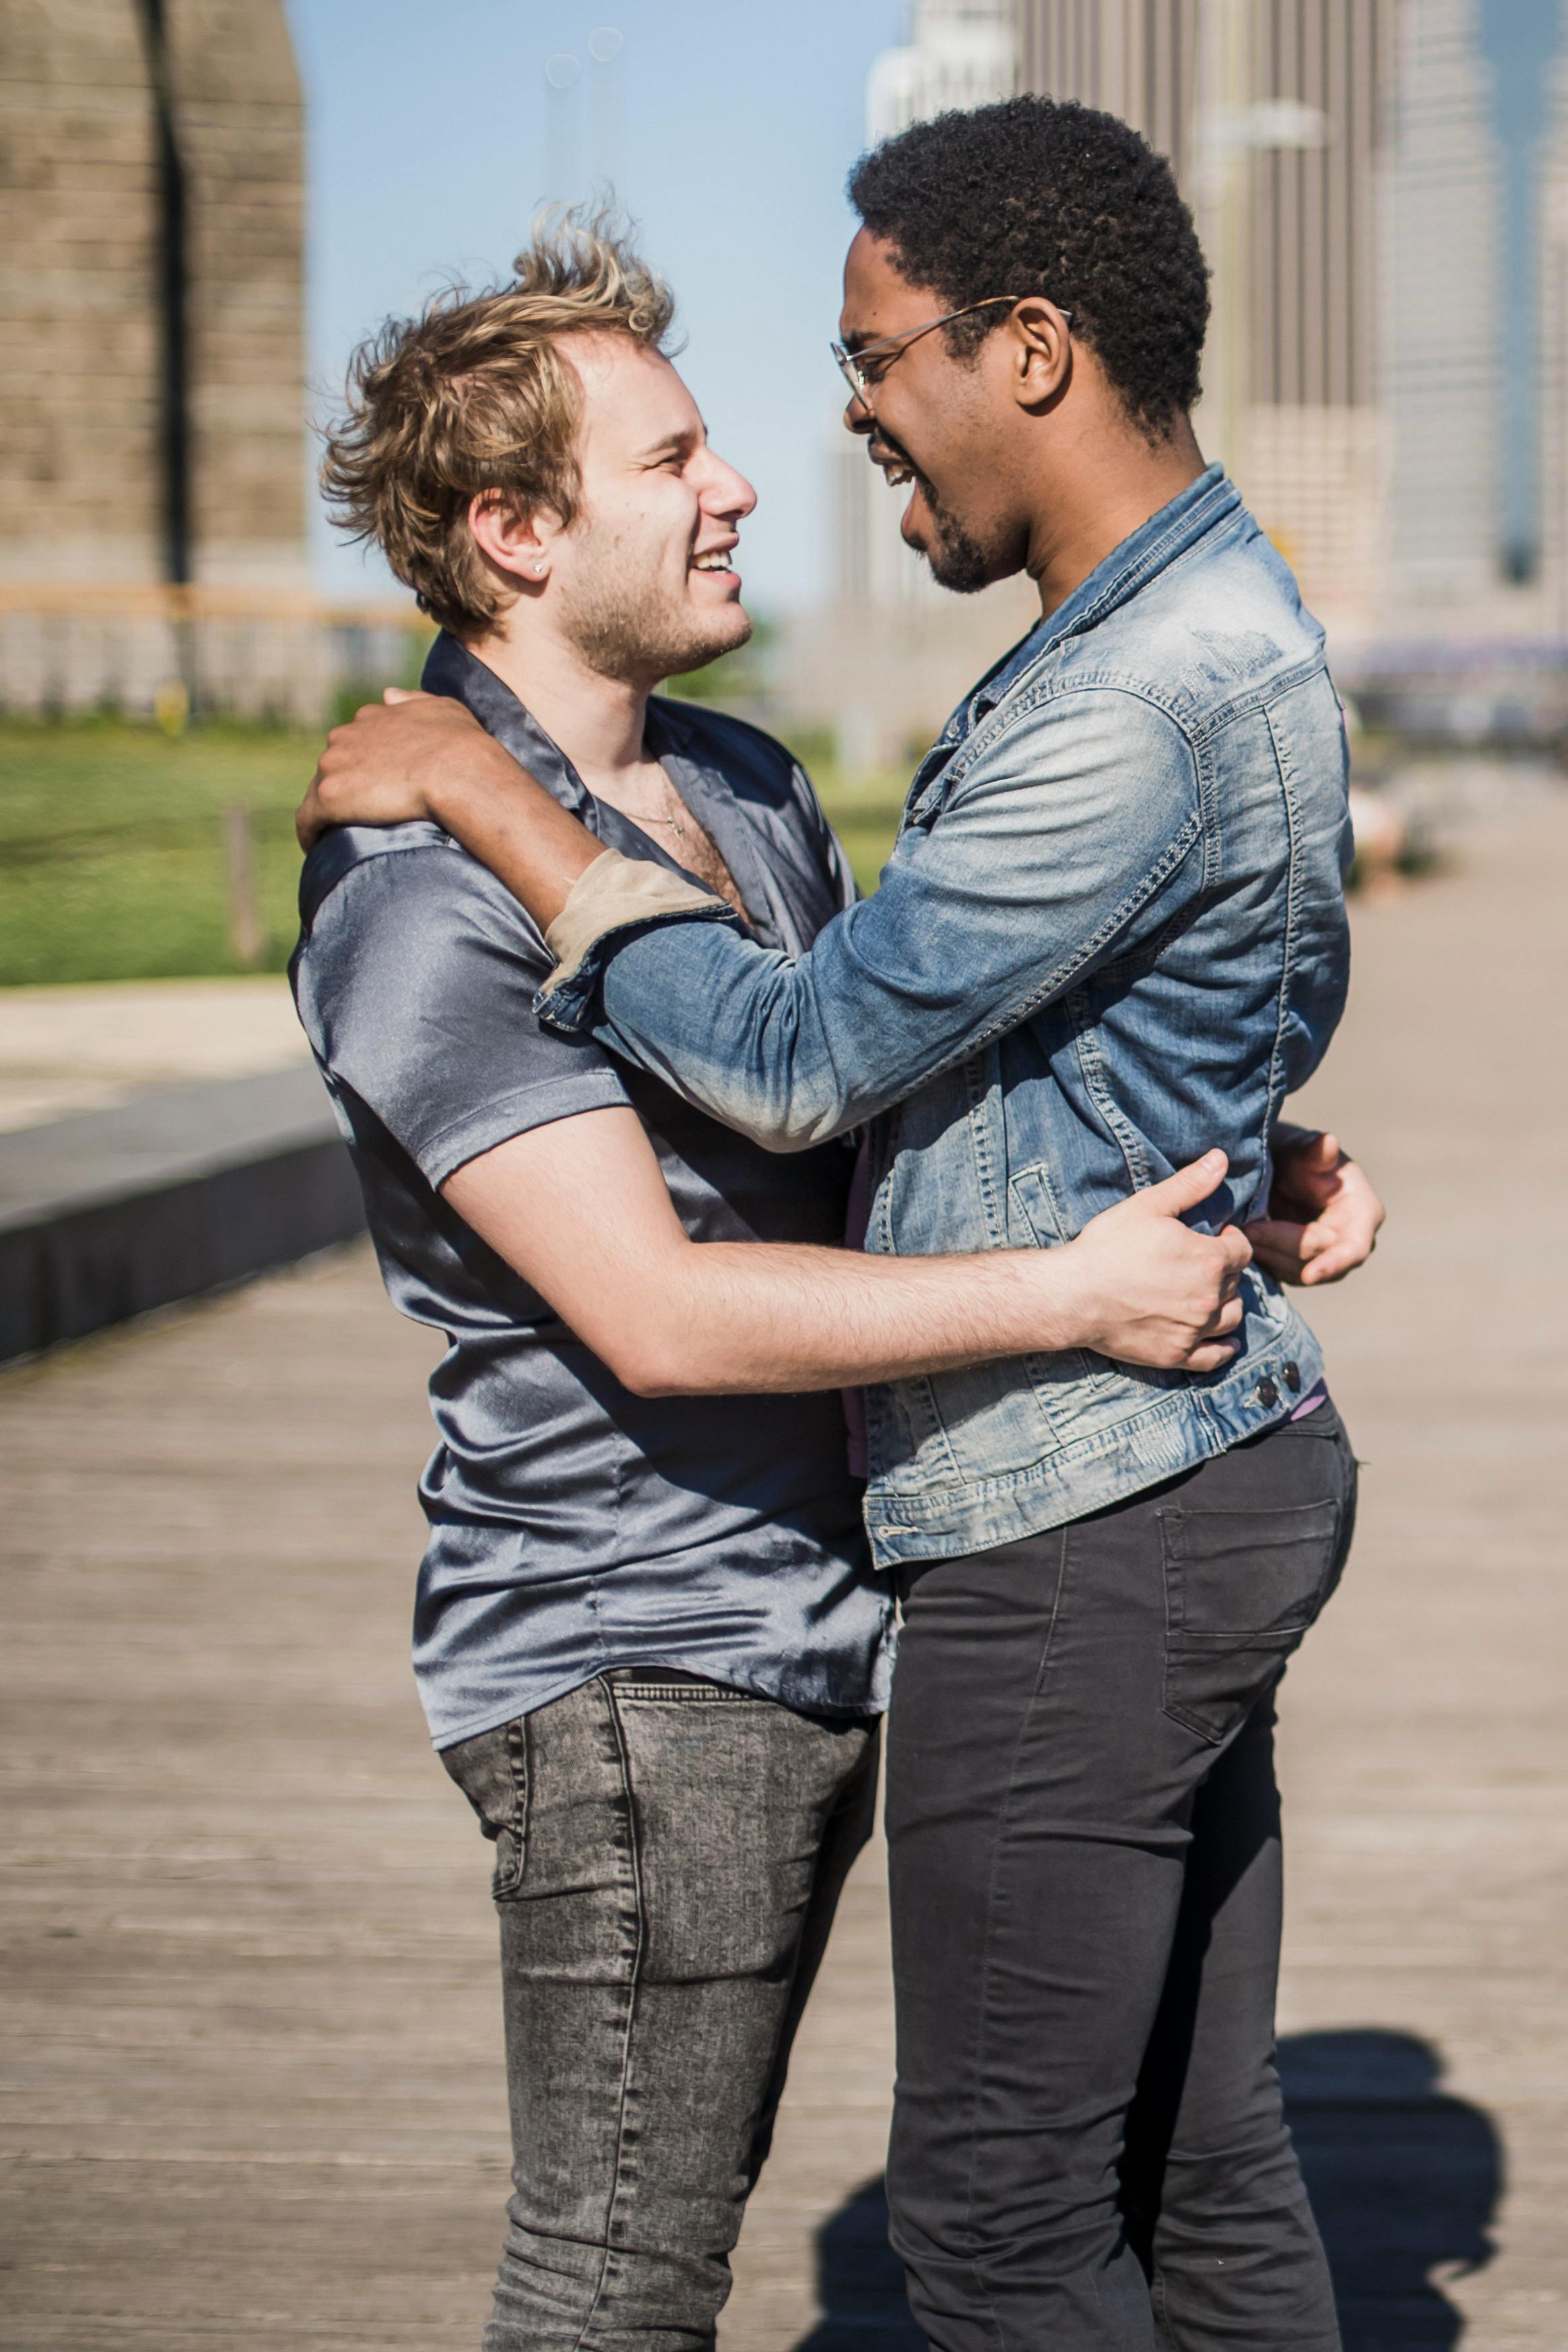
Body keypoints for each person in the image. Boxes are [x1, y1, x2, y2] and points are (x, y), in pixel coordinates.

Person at [304, 102, 1371, 2352]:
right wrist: (1094, 1252)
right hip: (643, 1650)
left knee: (1109, 2190)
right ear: (511, 530)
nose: (769, 468)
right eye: (673, 453)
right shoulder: (418, 897)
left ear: (1036, 347)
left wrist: (1207, 1149)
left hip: (942, 1566)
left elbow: (845, 1074)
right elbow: (661, 1308)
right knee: (626, 2281)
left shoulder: (766, 786)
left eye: (852, 365)